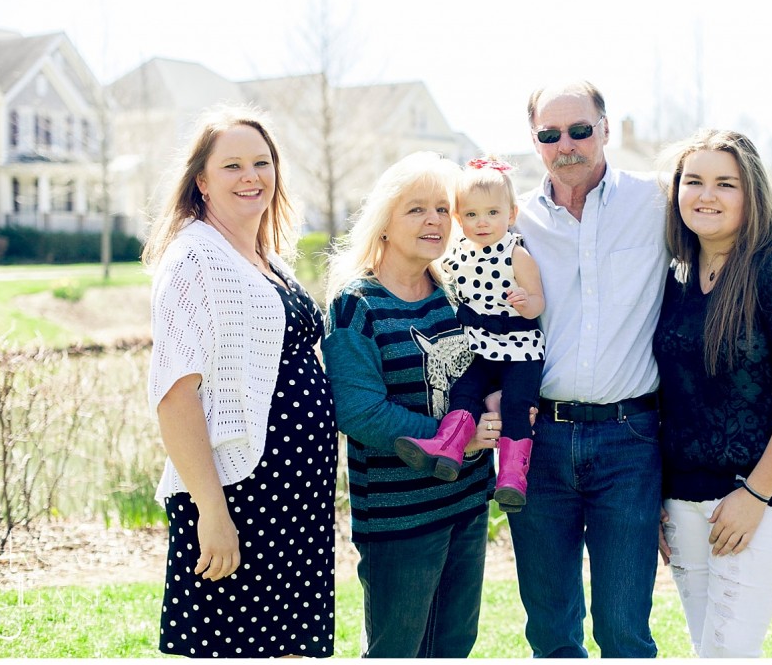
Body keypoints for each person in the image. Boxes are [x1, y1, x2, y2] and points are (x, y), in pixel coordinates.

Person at [143, 105, 336, 658]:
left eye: (262, 162)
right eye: (232, 166)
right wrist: (213, 512)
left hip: (296, 499)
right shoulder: (193, 259)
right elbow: (174, 396)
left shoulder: (267, 259)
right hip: (239, 497)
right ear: (201, 181)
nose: (251, 176)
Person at [653, 129, 772, 657]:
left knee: (727, 652)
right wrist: (658, 500)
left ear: (751, 193)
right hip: (682, 501)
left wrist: (754, 495)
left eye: (725, 183)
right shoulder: (677, 276)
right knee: (710, 647)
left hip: (761, 499)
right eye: (693, 181)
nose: (706, 195)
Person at [507, 80, 671, 658]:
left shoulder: (656, 203)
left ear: (606, 128)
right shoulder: (512, 220)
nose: (567, 145)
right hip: (539, 442)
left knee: (625, 630)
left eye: (580, 130)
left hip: (630, 441)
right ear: (535, 141)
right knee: (551, 631)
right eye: (550, 135)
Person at [322, 151, 499, 658]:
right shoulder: (357, 305)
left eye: (443, 209)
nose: (435, 221)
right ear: (384, 222)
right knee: (397, 651)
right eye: (416, 209)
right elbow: (360, 412)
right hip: (400, 516)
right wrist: (458, 438)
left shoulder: (453, 293)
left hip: (465, 501)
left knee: (453, 647)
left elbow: (484, 367)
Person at [394, 156, 545, 513]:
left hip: (520, 348)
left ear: (511, 214)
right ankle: (449, 446)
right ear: (459, 219)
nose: (482, 222)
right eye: (472, 215)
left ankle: (511, 476)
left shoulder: (516, 253)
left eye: (493, 213)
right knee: (465, 392)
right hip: (478, 346)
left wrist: (526, 303)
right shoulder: (457, 254)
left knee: (517, 406)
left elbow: (538, 302)